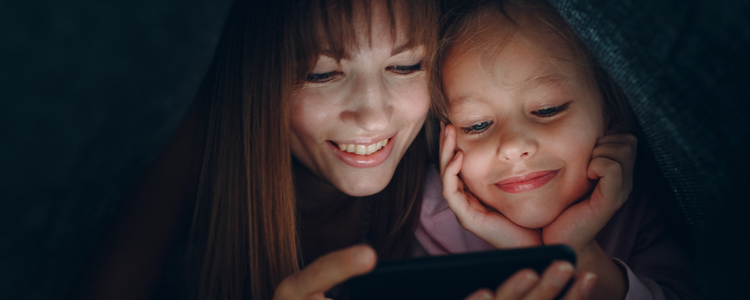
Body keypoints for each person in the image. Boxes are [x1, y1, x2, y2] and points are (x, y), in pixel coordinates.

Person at [65, 0, 595, 299]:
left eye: (405, 66)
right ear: (258, 83)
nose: (372, 114)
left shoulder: (453, 168)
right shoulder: (194, 147)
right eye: (322, 73)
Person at [417, 0, 701, 299]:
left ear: (610, 118)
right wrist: (527, 253)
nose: (513, 146)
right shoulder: (426, 219)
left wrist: (578, 251)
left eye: (547, 109)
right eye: (477, 125)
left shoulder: (645, 207)